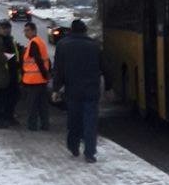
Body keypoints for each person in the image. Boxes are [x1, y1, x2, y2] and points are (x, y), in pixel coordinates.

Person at [52, 19, 108, 162]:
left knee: (74, 119)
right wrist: (109, 84)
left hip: (72, 90)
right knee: (90, 122)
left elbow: (58, 70)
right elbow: (104, 66)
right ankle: (90, 153)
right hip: (91, 90)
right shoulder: (94, 46)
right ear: (85, 30)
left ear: (71, 30)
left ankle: (73, 146)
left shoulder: (62, 45)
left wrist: (56, 89)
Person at [21, 20, 51, 132]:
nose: (25, 33)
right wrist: (46, 75)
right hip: (41, 80)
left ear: (34, 30)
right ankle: (45, 124)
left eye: (27, 30)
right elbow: (46, 60)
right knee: (43, 105)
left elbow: (38, 60)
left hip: (33, 81)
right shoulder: (40, 42)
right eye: (25, 30)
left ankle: (32, 125)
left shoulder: (33, 43)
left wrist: (44, 74)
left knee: (32, 105)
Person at [0, 20, 21, 126]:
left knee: (13, 96)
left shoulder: (10, 40)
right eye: (4, 28)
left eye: (8, 28)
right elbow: (1, 56)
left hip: (13, 72)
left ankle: (9, 116)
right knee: (5, 97)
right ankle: (4, 117)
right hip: (4, 73)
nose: (7, 30)